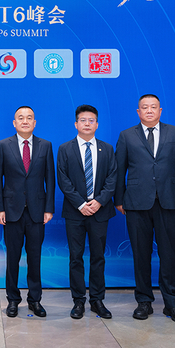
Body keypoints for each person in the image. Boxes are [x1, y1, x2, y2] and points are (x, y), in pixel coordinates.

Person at [115, 94, 175, 323]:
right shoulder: (127, 135)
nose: (149, 110)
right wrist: (119, 200)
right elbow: (119, 170)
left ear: (160, 110)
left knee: (169, 254)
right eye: (144, 107)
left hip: (169, 201)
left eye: (153, 107)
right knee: (141, 254)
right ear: (138, 112)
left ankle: (172, 303)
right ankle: (144, 302)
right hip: (136, 203)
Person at [0, 106, 55, 318]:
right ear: (14, 122)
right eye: (21, 118)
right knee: (12, 258)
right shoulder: (3, 145)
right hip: (11, 211)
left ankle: (35, 299)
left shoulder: (46, 145)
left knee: (35, 258)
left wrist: (49, 208)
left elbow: (50, 179)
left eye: (29, 118)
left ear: (35, 123)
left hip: (37, 211)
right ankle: (12, 299)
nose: (25, 121)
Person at [57, 105, 117, 319]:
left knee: (98, 257)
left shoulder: (107, 149)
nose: (87, 124)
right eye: (83, 120)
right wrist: (81, 204)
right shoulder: (65, 149)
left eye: (91, 120)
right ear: (76, 124)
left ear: (97, 124)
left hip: (100, 211)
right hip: (75, 212)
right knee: (76, 257)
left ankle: (97, 300)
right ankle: (78, 300)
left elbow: (112, 178)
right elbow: (63, 180)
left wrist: (99, 201)